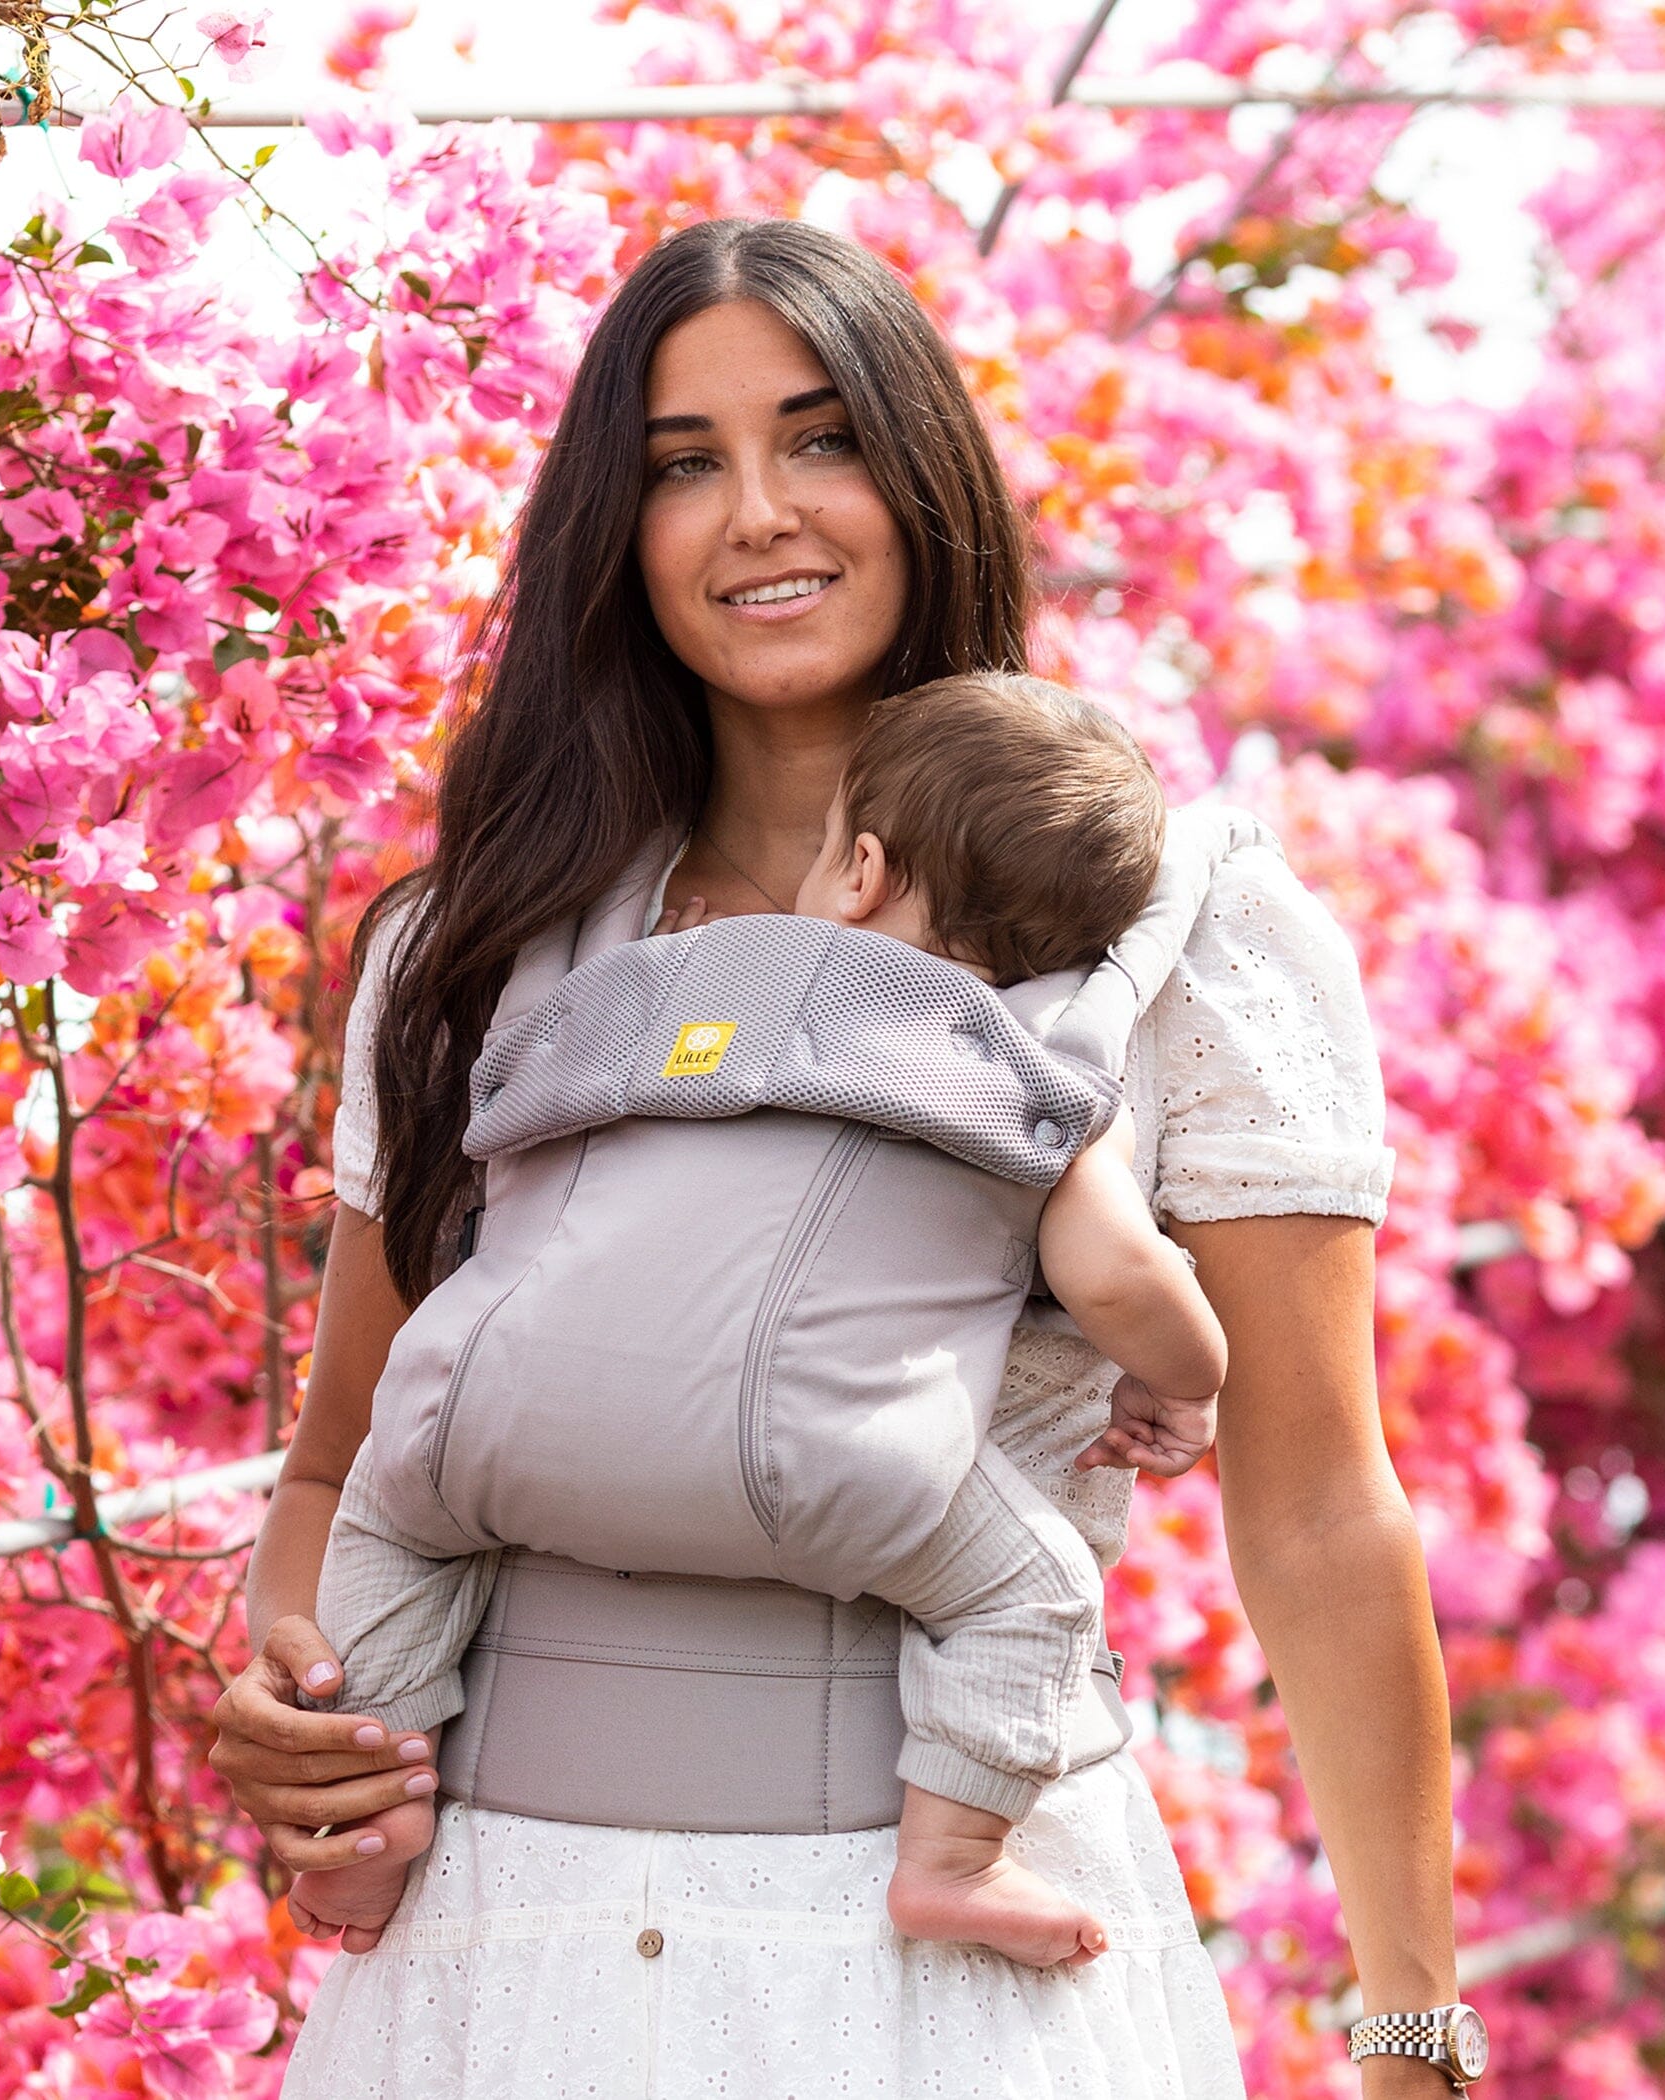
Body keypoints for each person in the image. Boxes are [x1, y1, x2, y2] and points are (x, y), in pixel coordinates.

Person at [212, 217, 1466, 2100]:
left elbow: (1314, 1509)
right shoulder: (475, 948)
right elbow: (344, 1455)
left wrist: (1415, 2028)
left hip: (937, 1977)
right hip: (497, 1963)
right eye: (681, 465)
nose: (758, 517)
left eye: (820, 439)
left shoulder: (1178, 929)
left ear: (922, 472)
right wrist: (295, 1704)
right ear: (612, 534)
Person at [281, 672, 1230, 1969]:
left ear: (858, 867)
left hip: (492, 1419)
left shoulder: (662, 982)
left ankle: (371, 1825)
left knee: (394, 1517)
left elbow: (504, 1126)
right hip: (815, 1465)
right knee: (1038, 1593)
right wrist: (1180, 1382)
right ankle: (952, 1858)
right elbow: (1121, 1283)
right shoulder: (1027, 1072)